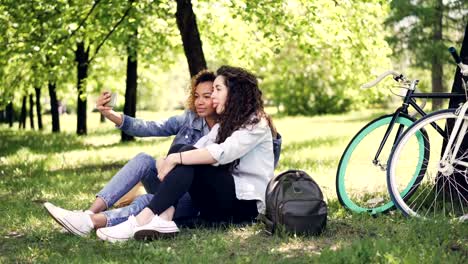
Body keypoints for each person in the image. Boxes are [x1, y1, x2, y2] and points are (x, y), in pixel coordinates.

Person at [94, 65, 277, 242]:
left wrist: (174, 159)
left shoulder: (256, 123)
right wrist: (169, 159)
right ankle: (164, 219)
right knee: (181, 150)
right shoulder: (225, 125)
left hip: (246, 206)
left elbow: (221, 153)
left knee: (183, 155)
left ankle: (142, 220)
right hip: (220, 203)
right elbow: (196, 147)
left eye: (217, 90)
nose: (213, 96)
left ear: (234, 93)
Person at [44, 70, 218, 235]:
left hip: (192, 199)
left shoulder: (226, 131)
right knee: (143, 159)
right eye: (196, 96)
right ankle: (87, 214)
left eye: (207, 97)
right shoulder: (190, 119)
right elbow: (151, 127)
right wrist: (112, 114)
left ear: (219, 97)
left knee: (146, 200)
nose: (199, 102)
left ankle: (91, 222)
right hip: (168, 184)